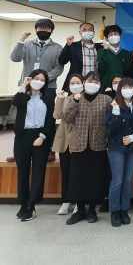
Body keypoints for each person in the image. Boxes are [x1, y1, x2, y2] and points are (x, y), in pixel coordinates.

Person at [62, 71, 112, 225]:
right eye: (90, 81)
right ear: (84, 82)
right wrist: (75, 102)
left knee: (95, 178)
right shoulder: (75, 97)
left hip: (98, 144)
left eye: (96, 82)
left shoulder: (106, 99)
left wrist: (108, 141)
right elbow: (66, 118)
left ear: (100, 84)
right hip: (79, 144)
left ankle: (92, 210)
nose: (93, 84)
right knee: (78, 178)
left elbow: (110, 122)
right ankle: (80, 210)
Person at [12, 70, 55, 221]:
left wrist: (42, 136)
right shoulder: (23, 96)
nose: (39, 82)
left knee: (38, 172)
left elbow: (50, 121)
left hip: (40, 136)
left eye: (42, 80)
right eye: (37, 78)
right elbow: (16, 102)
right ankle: (23, 204)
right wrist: (23, 85)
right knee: (23, 171)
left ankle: (32, 205)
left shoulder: (48, 99)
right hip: (22, 136)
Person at [106, 77, 133, 227]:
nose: (127, 90)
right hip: (116, 147)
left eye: (130, 87)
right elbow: (111, 127)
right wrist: (116, 112)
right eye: (124, 87)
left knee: (128, 180)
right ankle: (115, 211)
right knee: (117, 180)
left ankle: (124, 209)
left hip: (132, 147)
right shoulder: (113, 105)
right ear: (120, 90)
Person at [52, 73, 84, 216]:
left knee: (78, 172)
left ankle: (78, 201)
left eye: (78, 83)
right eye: (72, 83)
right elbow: (57, 115)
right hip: (64, 139)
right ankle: (66, 201)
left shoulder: (86, 99)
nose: (75, 85)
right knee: (66, 171)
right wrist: (60, 98)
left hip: (79, 140)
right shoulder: (65, 99)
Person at [10, 18, 64, 99]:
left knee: (46, 107)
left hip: (48, 87)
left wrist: (42, 79)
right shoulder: (27, 44)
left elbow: (58, 69)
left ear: (52, 31)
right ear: (36, 30)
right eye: (40, 28)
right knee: (25, 106)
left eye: (47, 28)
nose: (43, 30)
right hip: (28, 84)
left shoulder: (58, 48)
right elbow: (15, 58)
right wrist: (22, 40)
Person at [58, 22, 102, 92]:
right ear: (80, 32)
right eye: (84, 30)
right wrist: (68, 45)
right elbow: (62, 61)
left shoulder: (100, 47)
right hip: (77, 83)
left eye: (90, 30)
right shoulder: (73, 46)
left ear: (94, 32)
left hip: (94, 83)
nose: (87, 32)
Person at [97, 25, 130, 92]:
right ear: (106, 38)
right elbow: (100, 68)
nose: (113, 36)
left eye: (116, 33)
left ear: (120, 36)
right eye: (110, 34)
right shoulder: (101, 52)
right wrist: (105, 50)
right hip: (105, 88)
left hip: (123, 88)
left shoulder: (126, 53)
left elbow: (128, 72)